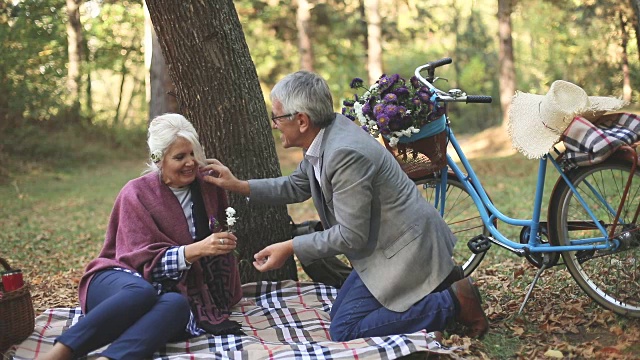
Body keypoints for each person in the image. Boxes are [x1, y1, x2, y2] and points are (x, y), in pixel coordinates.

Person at [203, 71, 489, 341]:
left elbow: (351, 235)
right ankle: (439, 289)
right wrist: (238, 185)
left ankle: (451, 302)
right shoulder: (325, 135)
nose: (274, 124)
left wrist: (291, 246)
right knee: (343, 315)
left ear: (301, 120)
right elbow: (297, 185)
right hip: (386, 248)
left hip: (406, 248)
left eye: (276, 117)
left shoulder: (344, 153)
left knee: (345, 330)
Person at [42, 114, 243, 360]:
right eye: (180, 157)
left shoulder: (207, 187)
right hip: (119, 280)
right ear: (158, 160)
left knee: (178, 306)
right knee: (142, 292)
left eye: (192, 153)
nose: (191, 162)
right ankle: (58, 353)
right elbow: (138, 261)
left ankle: (110, 358)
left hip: (169, 291)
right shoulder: (136, 193)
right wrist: (197, 249)